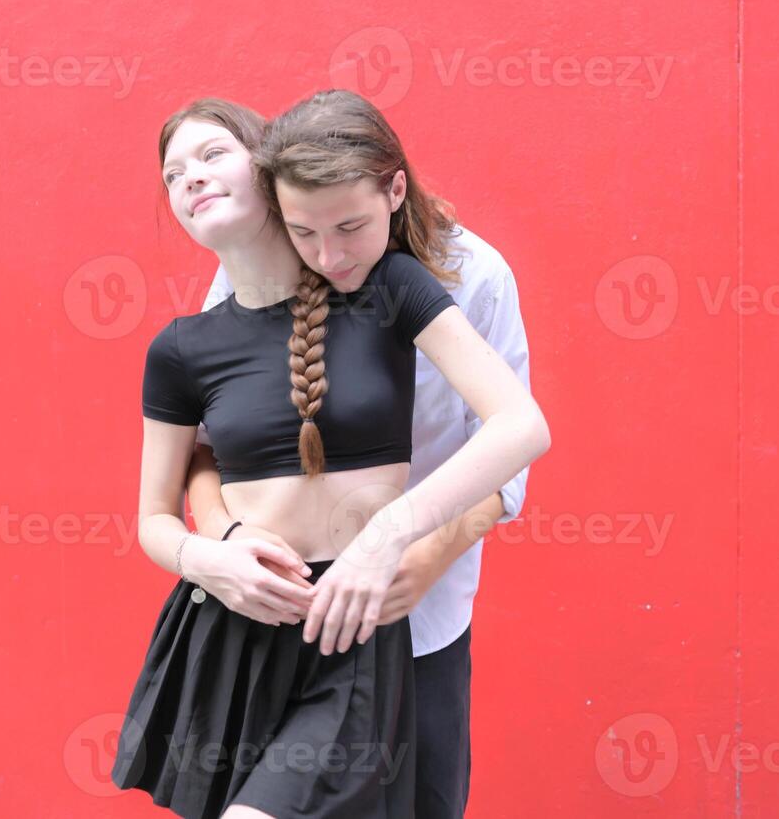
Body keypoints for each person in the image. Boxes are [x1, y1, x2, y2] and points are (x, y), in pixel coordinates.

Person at [112, 94, 550, 819]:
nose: (329, 255)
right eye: (307, 231)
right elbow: (215, 455)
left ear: (393, 190)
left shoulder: (462, 279)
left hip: (409, 603)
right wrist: (221, 539)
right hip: (266, 609)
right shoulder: (241, 290)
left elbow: (510, 447)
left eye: (349, 228)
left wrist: (421, 547)